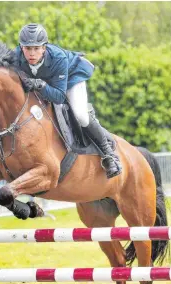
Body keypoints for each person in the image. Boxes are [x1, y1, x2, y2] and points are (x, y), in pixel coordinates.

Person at [15, 23, 122, 178]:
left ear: (44, 48)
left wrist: (40, 85)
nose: (32, 53)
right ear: (21, 47)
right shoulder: (15, 55)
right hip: (48, 80)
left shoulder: (58, 58)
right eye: (27, 48)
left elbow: (59, 96)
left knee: (80, 115)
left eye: (36, 48)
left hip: (72, 77)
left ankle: (109, 154)